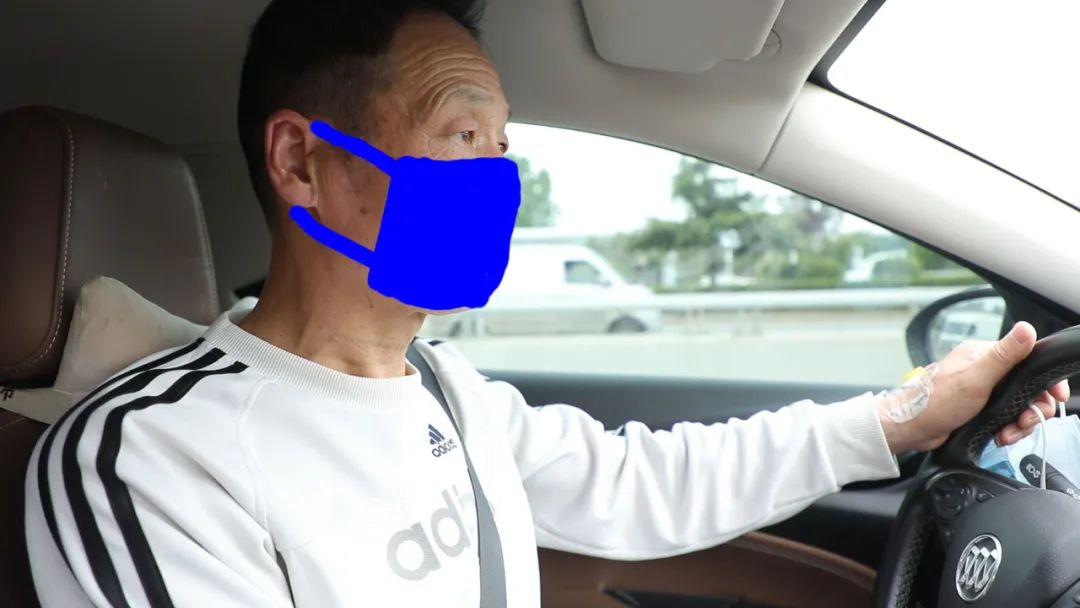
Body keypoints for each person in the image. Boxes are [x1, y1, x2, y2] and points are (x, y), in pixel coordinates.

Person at [24, 1, 1068, 606]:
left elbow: (643, 483)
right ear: (303, 162)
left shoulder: (442, 389)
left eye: (502, 143)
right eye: (461, 135)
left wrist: (905, 414)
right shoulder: (150, 455)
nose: (499, 178)